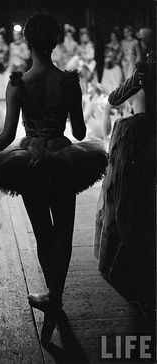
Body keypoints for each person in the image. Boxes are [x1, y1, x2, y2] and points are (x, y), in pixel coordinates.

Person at [0, 13, 107, 343]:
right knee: (64, 232)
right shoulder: (68, 82)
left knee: (43, 233)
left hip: (31, 161)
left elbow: (8, 133)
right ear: (55, 42)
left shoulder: (18, 83)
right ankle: (56, 298)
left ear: (26, 42)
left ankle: (52, 301)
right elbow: (80, 132)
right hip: (64, 160)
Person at [94, 28, 155, 317]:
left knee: (131, 207)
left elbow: (116, 98)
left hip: (143, 138)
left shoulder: (145, 68)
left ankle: (137, 283)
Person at [101, 27, 123, 94]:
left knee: (115, 82)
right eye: (111, 36)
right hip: (108, 66)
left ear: (116, 37)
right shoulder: (107, 45)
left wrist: (115, 60)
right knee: (106, 82)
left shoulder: (119, 45)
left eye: (114, 36)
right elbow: (106, 55)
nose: (112, 38)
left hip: (115, 65)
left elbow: (119, 56)